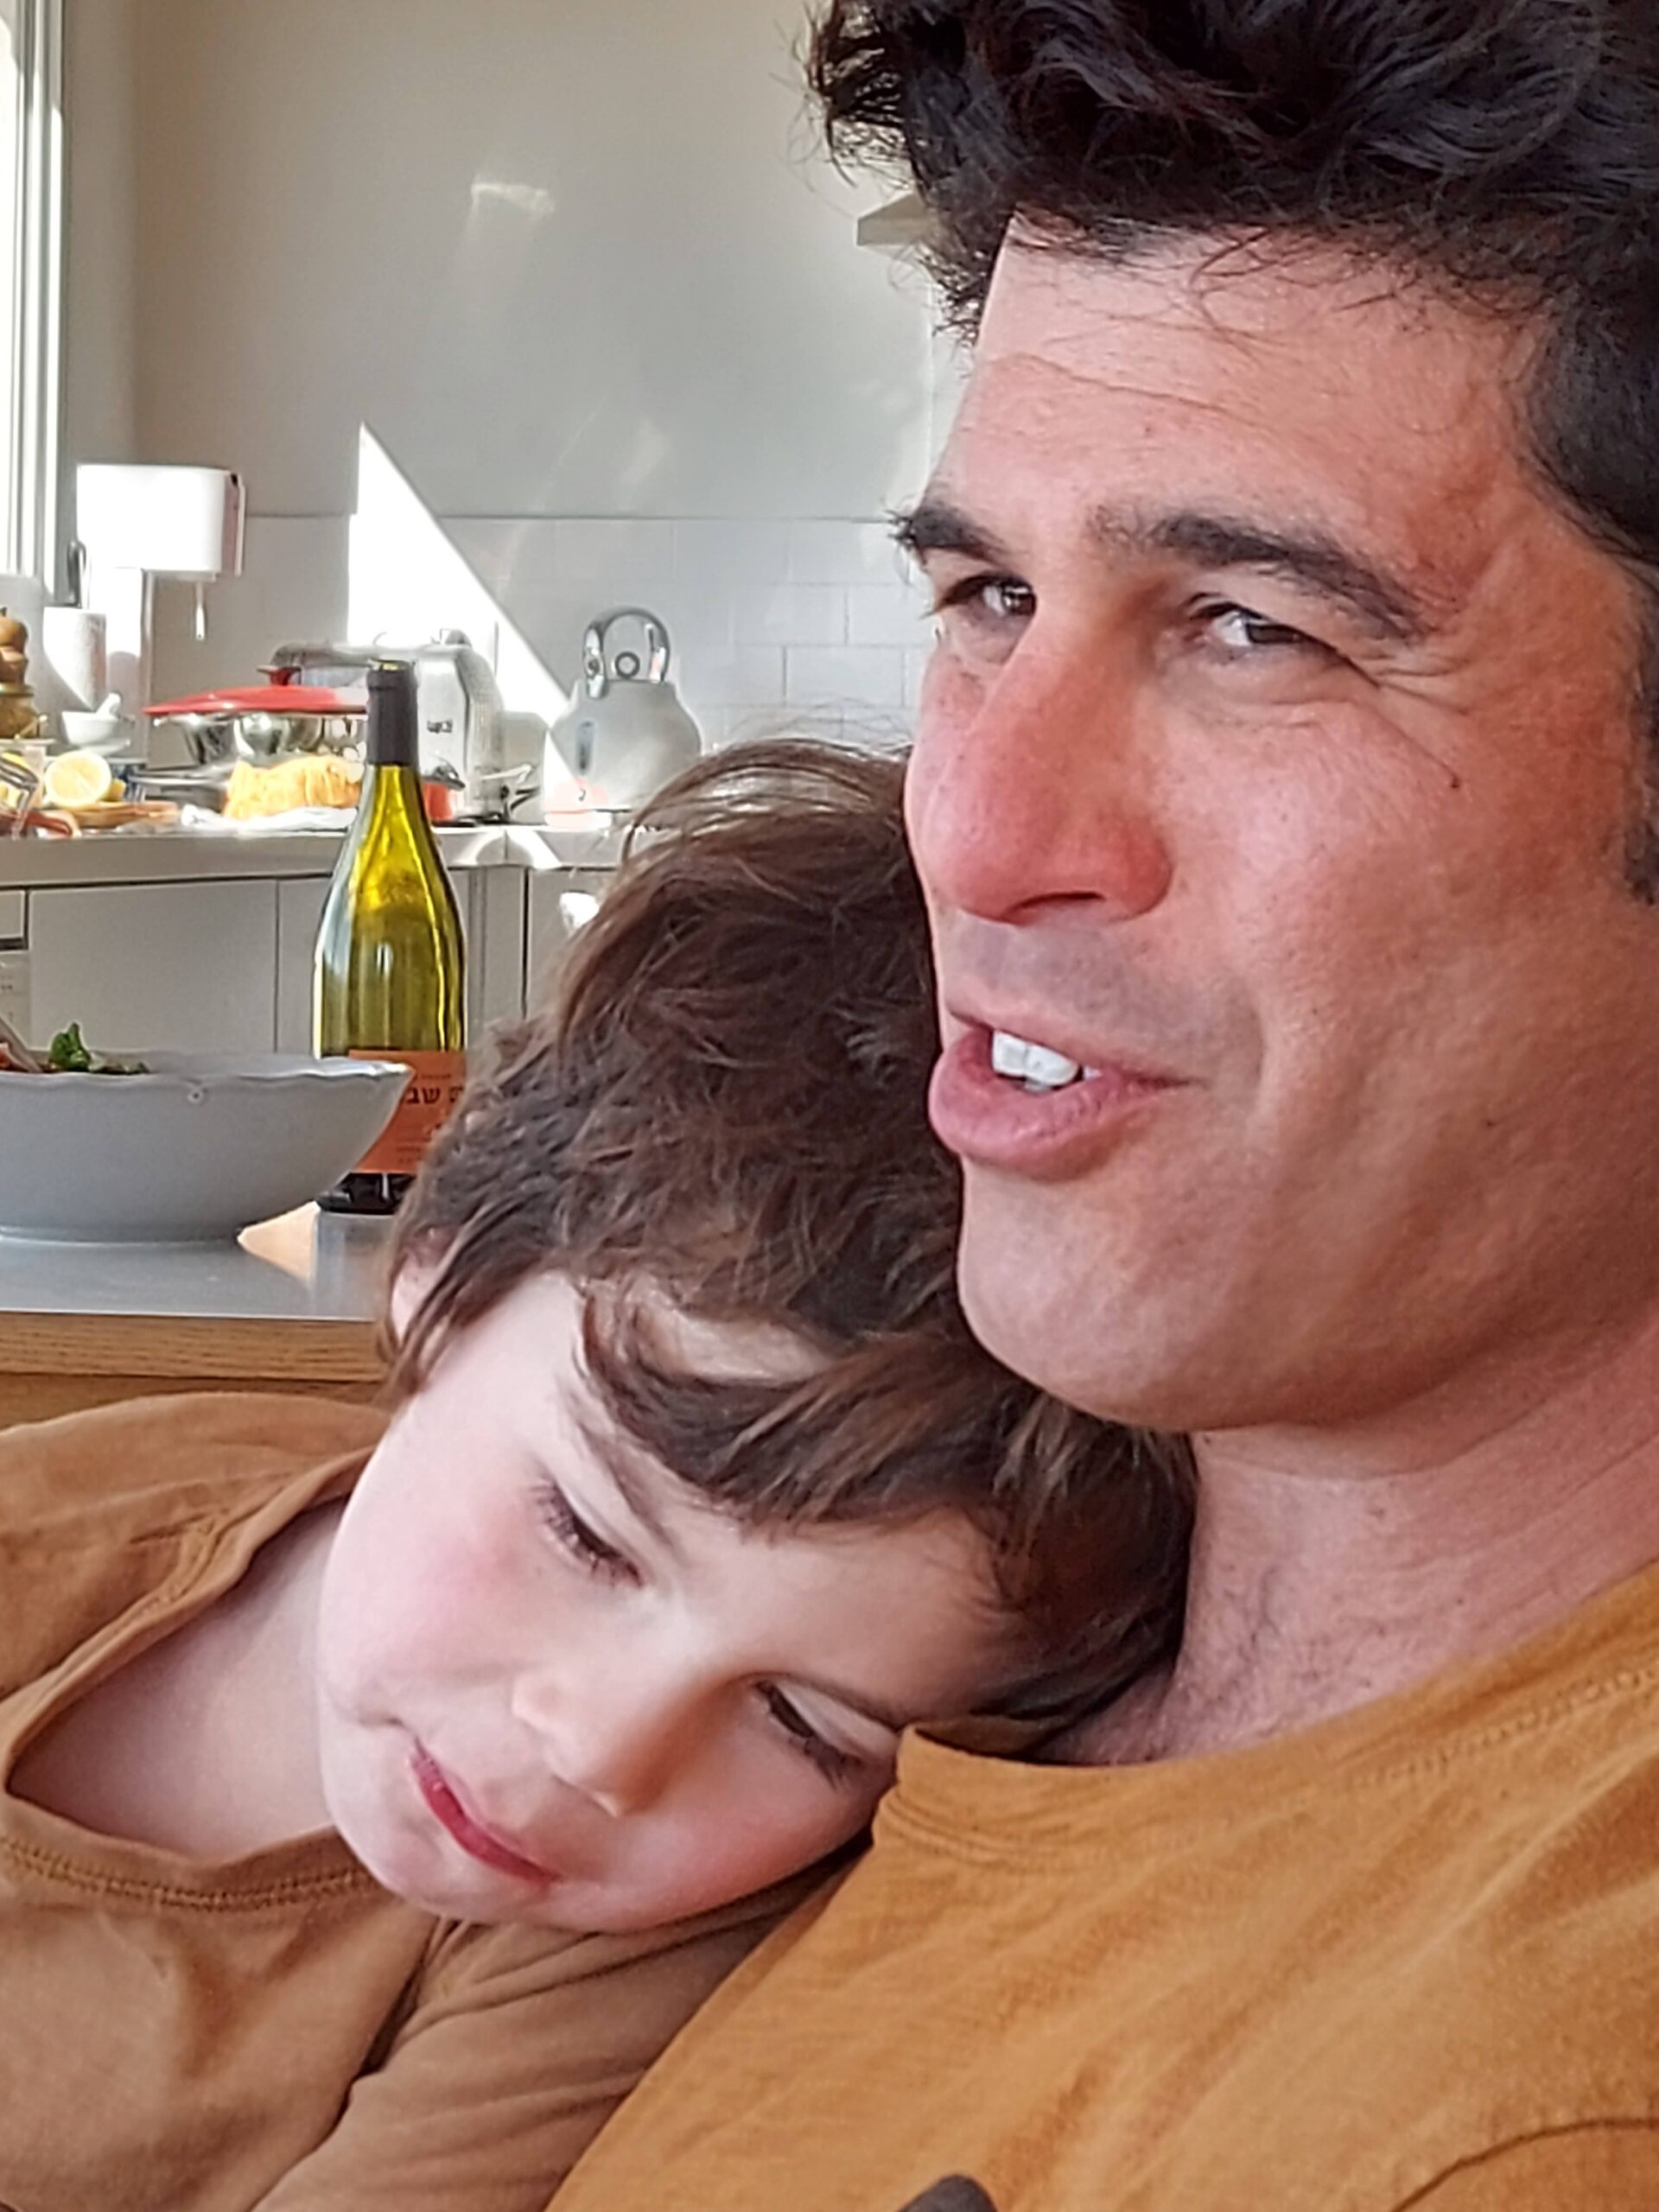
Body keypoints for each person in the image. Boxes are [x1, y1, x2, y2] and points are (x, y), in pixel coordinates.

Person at [550, 4, 1659, 2209]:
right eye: (990, 595)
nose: (972, 830)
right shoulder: (852, 1653)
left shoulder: (1524, 2110)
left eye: (1251, 628)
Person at [0, 743, 1186, 2212]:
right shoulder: (82, 1507)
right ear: (441, 1283)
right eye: (589, 1535)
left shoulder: (604, 1958)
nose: (603, 1750)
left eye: (799, 1724)